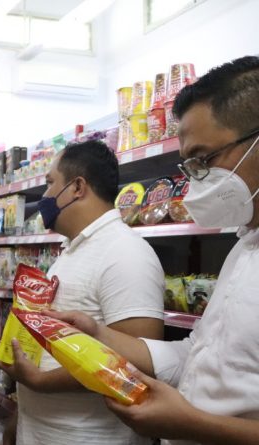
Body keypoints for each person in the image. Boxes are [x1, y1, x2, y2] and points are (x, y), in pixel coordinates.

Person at [46, 55, 259, 445]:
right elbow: (199, 356)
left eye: (204, 159)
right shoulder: (244, 248)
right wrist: (98, 334)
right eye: (189, 166)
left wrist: (192, 424)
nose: (196, 181)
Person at [0, 140, 166, 445]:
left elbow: (138, 364)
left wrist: (38, 381)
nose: (45, 196)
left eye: (50, 183)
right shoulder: (73, 250)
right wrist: (20, 414)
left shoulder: (125, 253)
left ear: (77, 187)